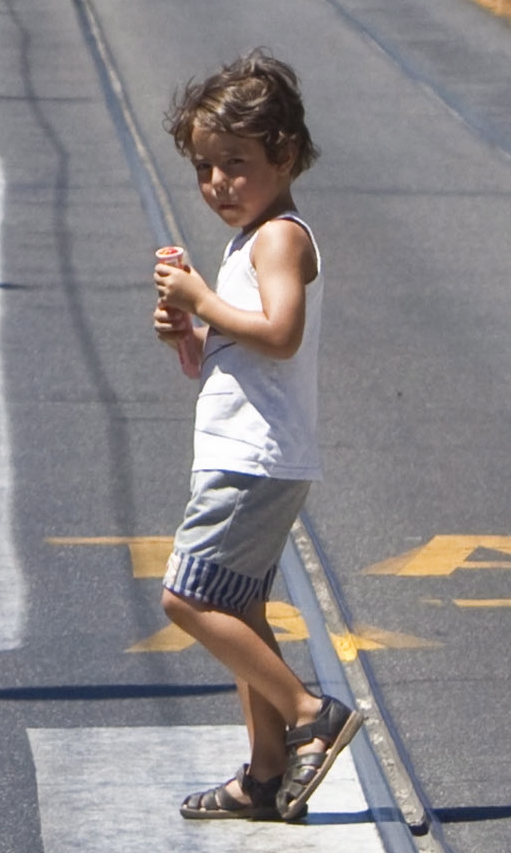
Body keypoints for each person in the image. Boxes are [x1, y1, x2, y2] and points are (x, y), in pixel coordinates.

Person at [151, 49, 360, 822]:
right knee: (237, 612)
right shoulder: (252, 240)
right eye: (205, 169)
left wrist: (202, 297)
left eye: (234, 165)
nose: (216, 185)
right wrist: (188, 335)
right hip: (249, 451)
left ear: (286, 154)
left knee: (185, 597)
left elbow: (279, 333)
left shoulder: (279, 239)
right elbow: (243, 355)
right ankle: (265, 776)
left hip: (254, 460)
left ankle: (312, 715)